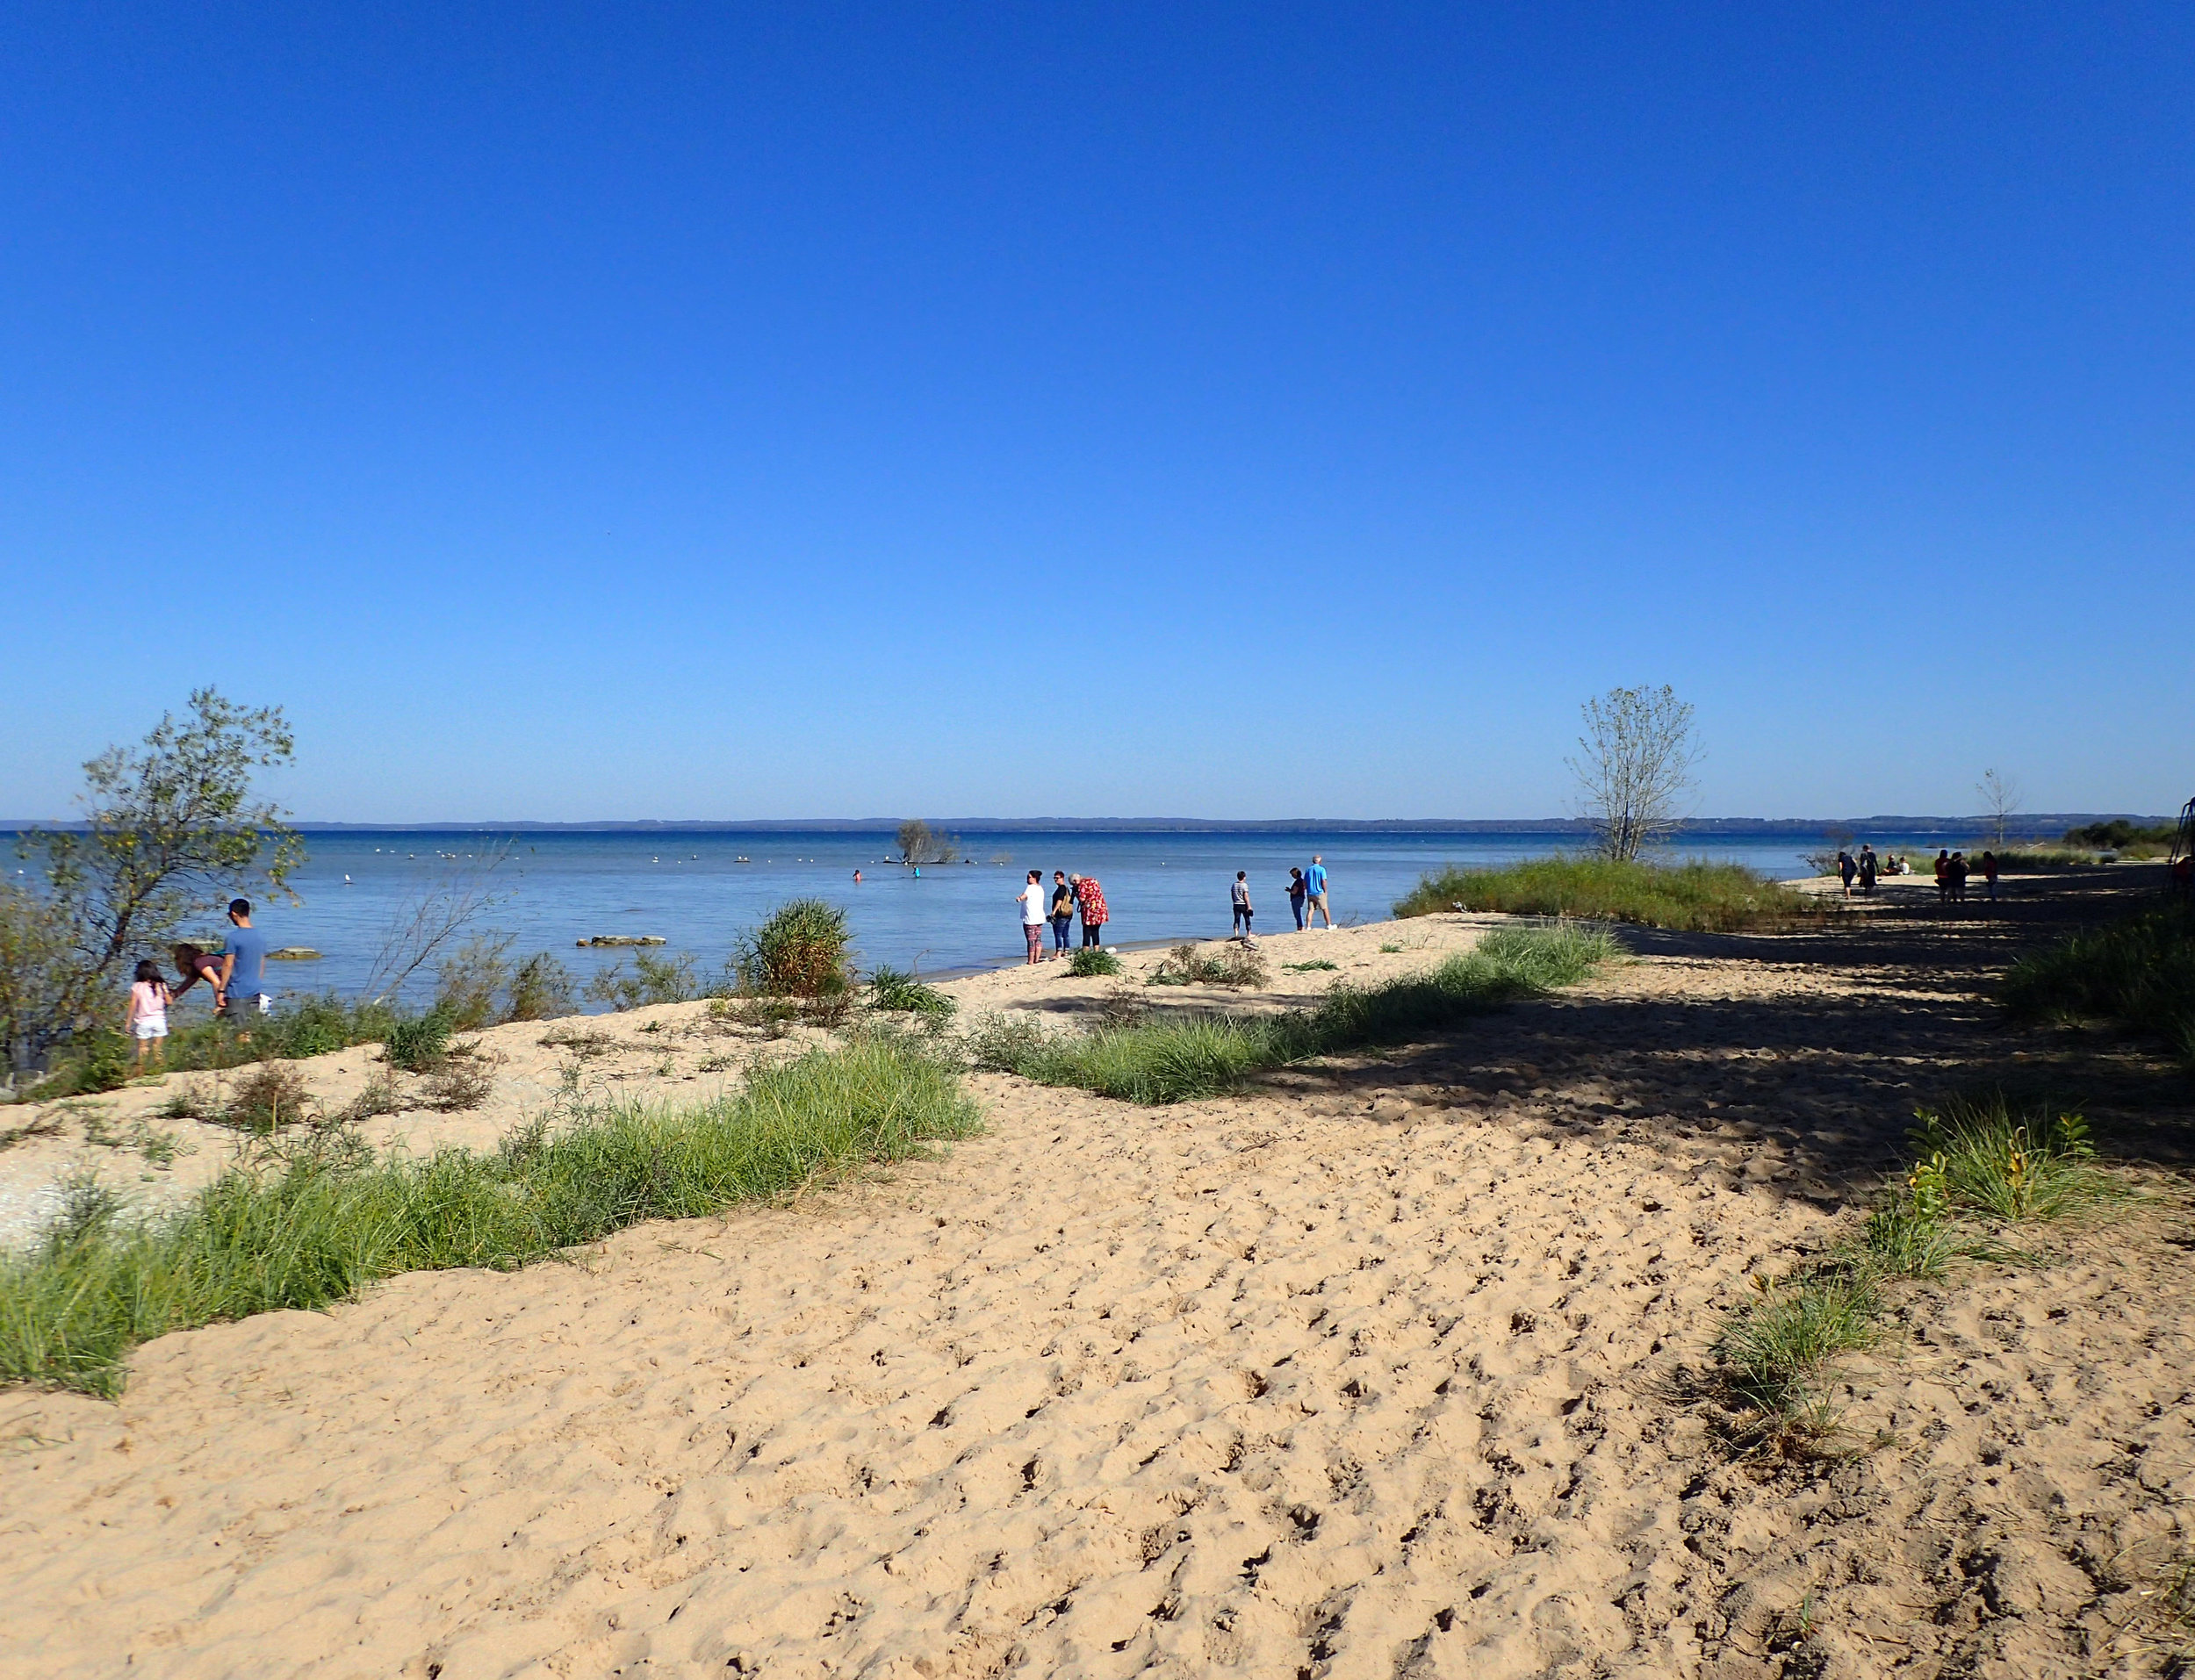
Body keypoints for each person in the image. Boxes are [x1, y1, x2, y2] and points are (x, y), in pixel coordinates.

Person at [217, 898, 272, 1036]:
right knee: (250, 1029)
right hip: (255, 989)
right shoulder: (260, 936)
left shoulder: (233, 938)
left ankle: (242, 1056)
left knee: (238, 1031)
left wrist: (221, 990)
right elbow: (262, 963)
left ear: (234, 914)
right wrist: (258, 982)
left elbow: (228, 964)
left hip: (237, 991)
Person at [126, 958, 171, 1073]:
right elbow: (169, 1002)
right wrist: (165, 993)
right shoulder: (161, 985)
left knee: (143, 1049)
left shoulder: (137, 986)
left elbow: (133, 1005)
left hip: (143, 1021)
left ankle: (141, 1072)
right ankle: (159, 1071)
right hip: (159, 1020)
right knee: (157, 1049)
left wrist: (128, 1023)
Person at [169, 942, 227, 1009]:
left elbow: (216, 982)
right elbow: (181, 989)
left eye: (176, 958)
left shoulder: (200, 962)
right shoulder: (196, 968)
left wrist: (219, 1005)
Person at [1017, 869, 1046, 966]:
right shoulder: (1040, 888)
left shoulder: (1030, 887)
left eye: (1029, 877)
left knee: (1031, 941)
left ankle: (1030, 961)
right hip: (1039, 918)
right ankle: (1037, 959)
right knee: (1038, 939)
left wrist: (1019, 898)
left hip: (1030, 918)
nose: (1027, 879)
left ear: (1034, 878)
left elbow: (1025, 896)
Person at [1075, 872, 1109, 947]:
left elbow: (1082, 899)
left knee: (1087, 932)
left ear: (1075, 881)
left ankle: (1085, 953)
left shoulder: (1082, 884)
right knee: (1095, 931)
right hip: (1100, 909)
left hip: (1090, 911)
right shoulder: (1094, 880)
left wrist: (1077, 894)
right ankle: (1096, 952)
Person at [1049, 872, 1076, 957]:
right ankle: (1066, 951)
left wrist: (1054, 911)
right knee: (1065, 934)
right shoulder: (1067, 889)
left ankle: (1058, 952)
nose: (1056, 880)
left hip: (1061, 915)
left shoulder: (1061, 888)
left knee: (1058, 934)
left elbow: (1060, 900)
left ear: (1062, 878)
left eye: (1057, 878)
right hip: (1068, 914)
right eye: (1055, 878)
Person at [1304, 854, 1333, 929]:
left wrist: (1307, 888)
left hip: (1310, 892)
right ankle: (1329, 925)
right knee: (1325, 908)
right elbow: (1323, 880)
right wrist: (1325, 890)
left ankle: (1308, 926)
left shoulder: (1308, 869)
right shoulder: (1321, 869)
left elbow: (1304, 881)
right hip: (1319, 892)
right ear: (1320, 861)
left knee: (1311, 910)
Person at [1231, 871, 1255, 940]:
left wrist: (1234, 901)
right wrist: (1249, 906)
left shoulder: (1234, 885)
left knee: (1236, 919)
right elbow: (1246, 896)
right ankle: (1249, 933)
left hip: (1236, 904)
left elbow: (1232, 894)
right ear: (1244, 877)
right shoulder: (1244, 885)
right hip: (1243, 904)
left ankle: (1236, 934)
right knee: (1247, 919)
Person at [1286, 866, 1308, 930]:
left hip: (1296, 898)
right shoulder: (1302, 881)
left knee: (1297, 913)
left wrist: (1289, 890)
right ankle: (1300, 926)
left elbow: (1294, 892)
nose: (1292, 876)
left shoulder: (1298, 882)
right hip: (1301, 898)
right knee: (1298, 913)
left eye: (1292, 875)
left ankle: (1300, 926)